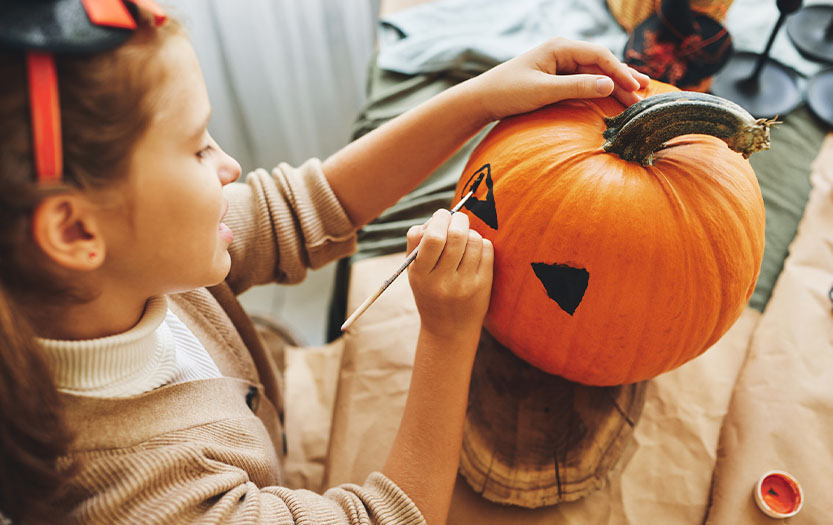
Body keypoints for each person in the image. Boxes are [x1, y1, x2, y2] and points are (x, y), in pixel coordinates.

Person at [0, 3, 648, 524]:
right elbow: (387, 515)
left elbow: (304, 206)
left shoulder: (117, 270)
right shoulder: (145, 500)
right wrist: (448, 335)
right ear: (77, 229)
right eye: (197, 148)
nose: (228, 165)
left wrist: (482, 98)